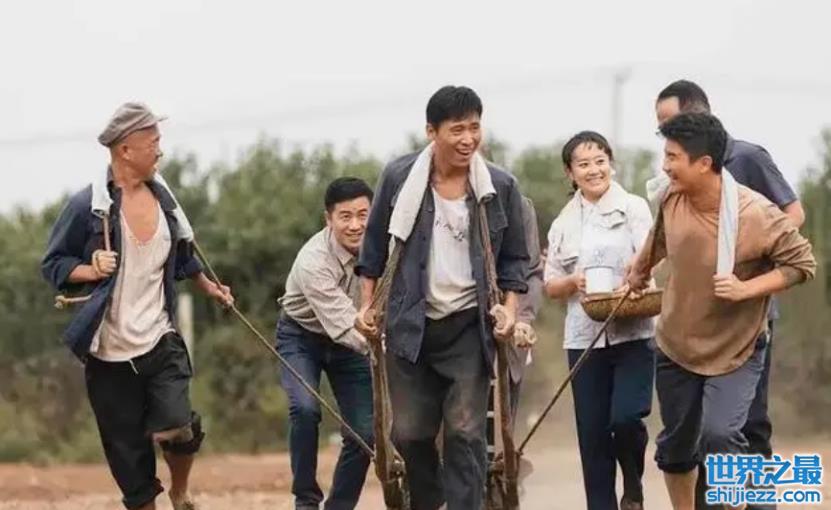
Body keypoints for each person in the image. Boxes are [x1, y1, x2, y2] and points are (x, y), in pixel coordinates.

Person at [41, 102, 234, 510]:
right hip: (108, 353)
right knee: (129, 460)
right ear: (125, 150)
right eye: (153, 142)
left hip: (159, 338)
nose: (160, 150)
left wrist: (210, 287)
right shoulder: (88, 207)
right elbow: (53, 264)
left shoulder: (165, 201)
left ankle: (180, 491)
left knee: (178, 426)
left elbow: (183, 255)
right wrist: (90, 269)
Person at [627, 112, 816, 510]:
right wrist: (640, 269)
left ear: (704, 163)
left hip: (736, 349)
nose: (665, 166)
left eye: (673, 157)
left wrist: (746, 289)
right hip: (676, 345)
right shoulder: (671, 196)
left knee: (720, 435)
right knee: (677, 448)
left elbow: (802, 265)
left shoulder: (756, 214)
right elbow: (660, 237)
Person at [354, 85, 529, 510]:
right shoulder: (399, 179)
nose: (468, 139)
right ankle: (429, 502)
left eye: (474, 128)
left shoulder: (499, 186)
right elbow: (373, 251)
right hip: (410, 326)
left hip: (469, 326)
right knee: (410, 434)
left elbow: (515, 261)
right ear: (431, 132)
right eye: (457, 130)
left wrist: (508, 312)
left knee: (466, 432)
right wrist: (367, 307)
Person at [544, 131, 656, 510]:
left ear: (611, 164)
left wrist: (636, 276)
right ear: (570, 172)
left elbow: (650, 257)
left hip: (633, 333)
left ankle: (634, 485)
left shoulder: (634, 208)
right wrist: (572, 282)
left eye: (600, 161)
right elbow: (550, 284)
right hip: (583, 339)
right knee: (592, 438)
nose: (594, 170)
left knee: (626, 419)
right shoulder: (562, 223)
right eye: (583, 164)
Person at [276, 177, 375, 510]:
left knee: (365, 432)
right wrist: (394, 355)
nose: (355, 225)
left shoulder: (385, 251)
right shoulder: (313, 261)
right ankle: (306, 500)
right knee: (305, 409)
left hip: (354, 340)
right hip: (302, 336)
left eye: (363, 215)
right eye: (345, 216)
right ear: (328, 219)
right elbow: (346, 326)